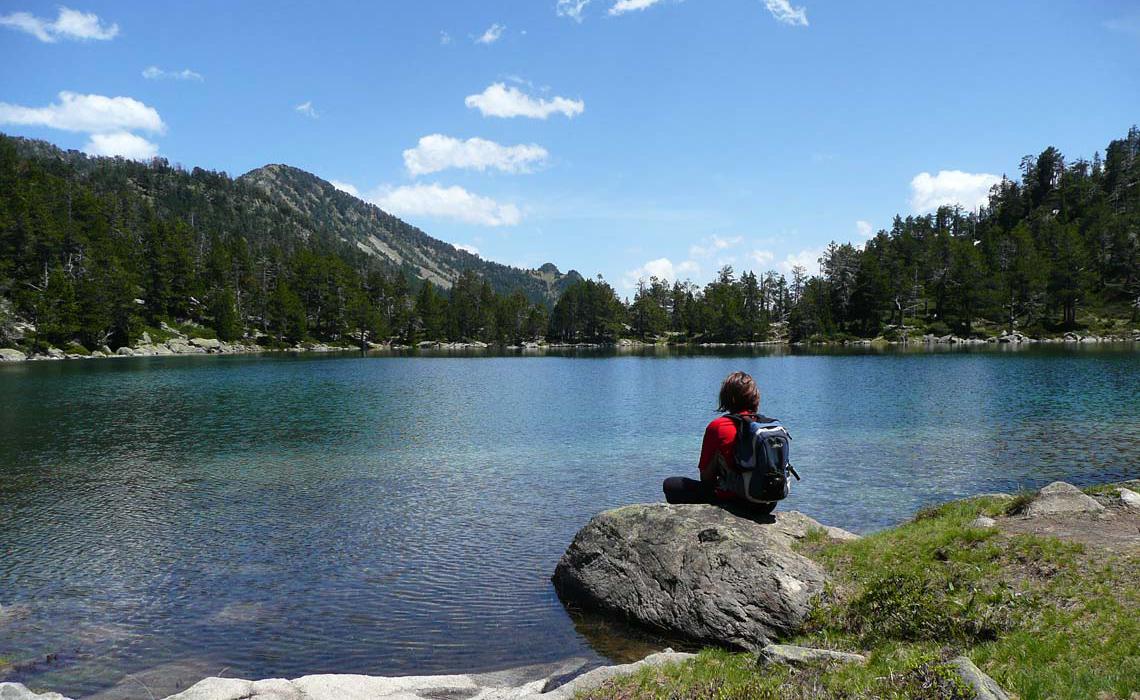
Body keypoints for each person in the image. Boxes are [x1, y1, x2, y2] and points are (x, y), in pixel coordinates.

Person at [663, 370, 771, 511]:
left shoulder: (718, 426)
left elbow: (706, 479)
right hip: (769, 502)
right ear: (755, 397)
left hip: (740, 501)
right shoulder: (768, 425)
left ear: (727, 398)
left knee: (670, 484)